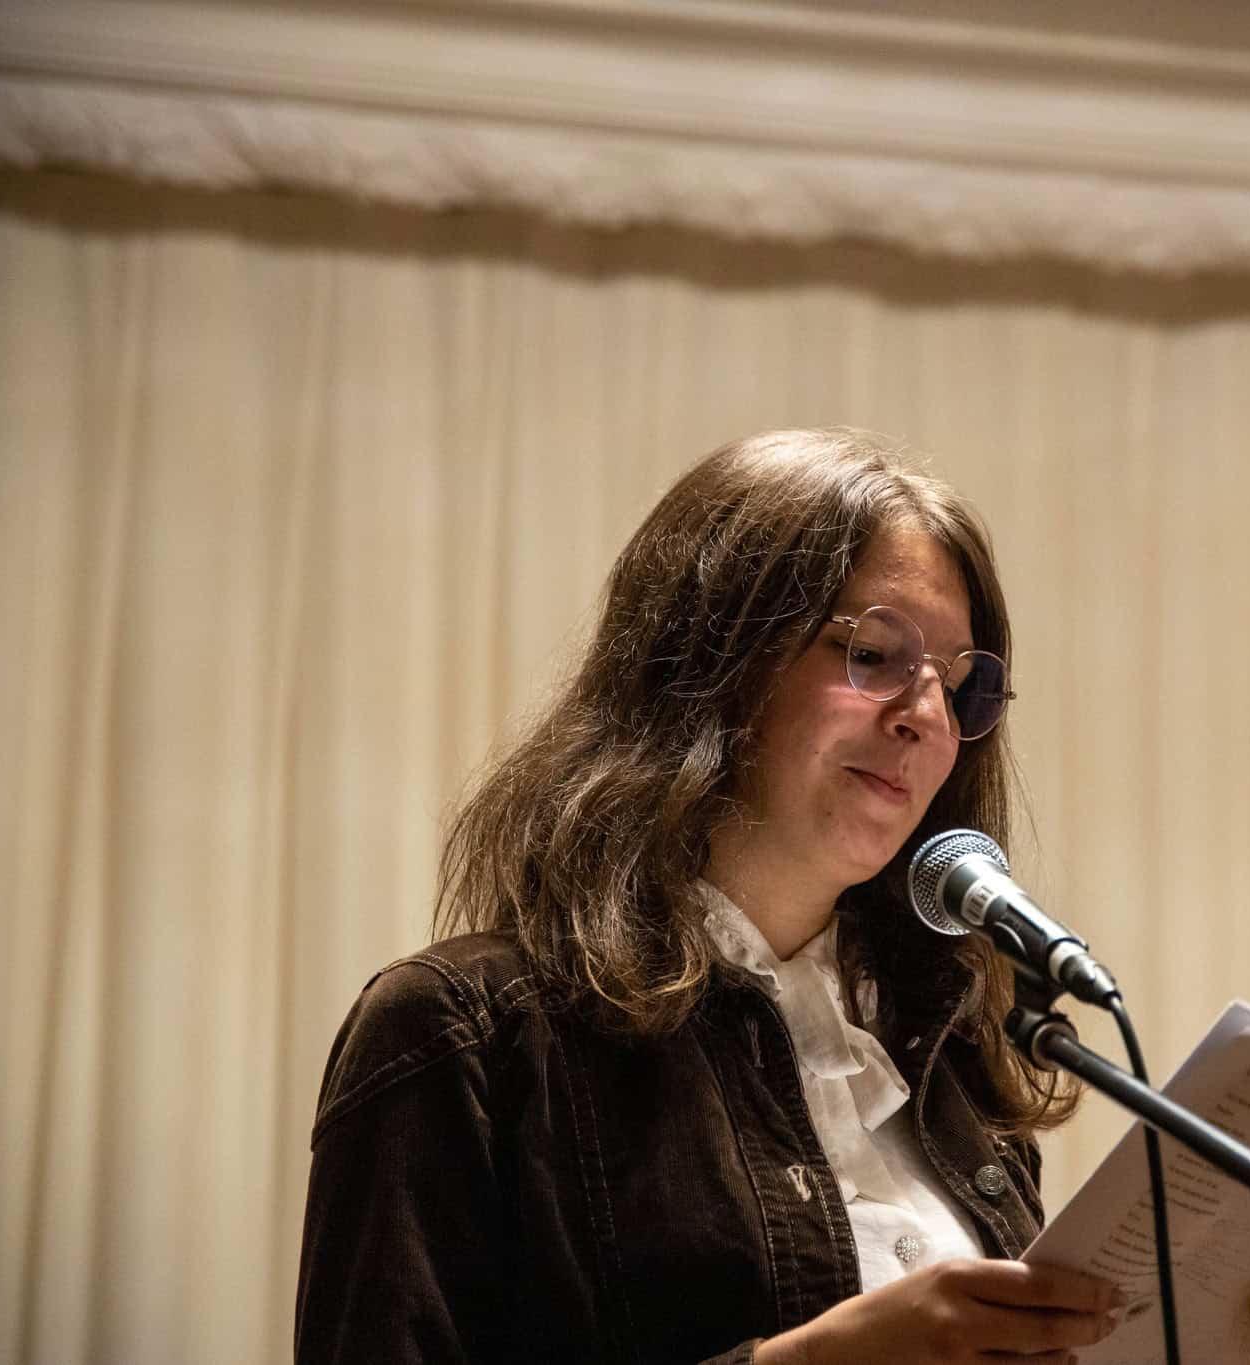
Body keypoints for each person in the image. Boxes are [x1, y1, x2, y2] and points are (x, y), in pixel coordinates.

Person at [295, 428, 1128, 1363]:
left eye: (962, 686)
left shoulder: (946, 1058)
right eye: (873, 652)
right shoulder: (461, 1032)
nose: (928, 718)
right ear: (714, 660)